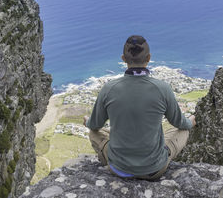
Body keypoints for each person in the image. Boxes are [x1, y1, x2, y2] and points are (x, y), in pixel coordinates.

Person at [83, 35, 196, 180]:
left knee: (95, 133)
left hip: (118, 168)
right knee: (182, 130)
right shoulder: (162, 89)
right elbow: (180, 123)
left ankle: (116, 160)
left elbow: (95, 125)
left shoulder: (109, 89)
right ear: (149, 58)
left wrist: (87, 121)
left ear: (123, 58)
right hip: (155, 169)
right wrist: (191, 121)